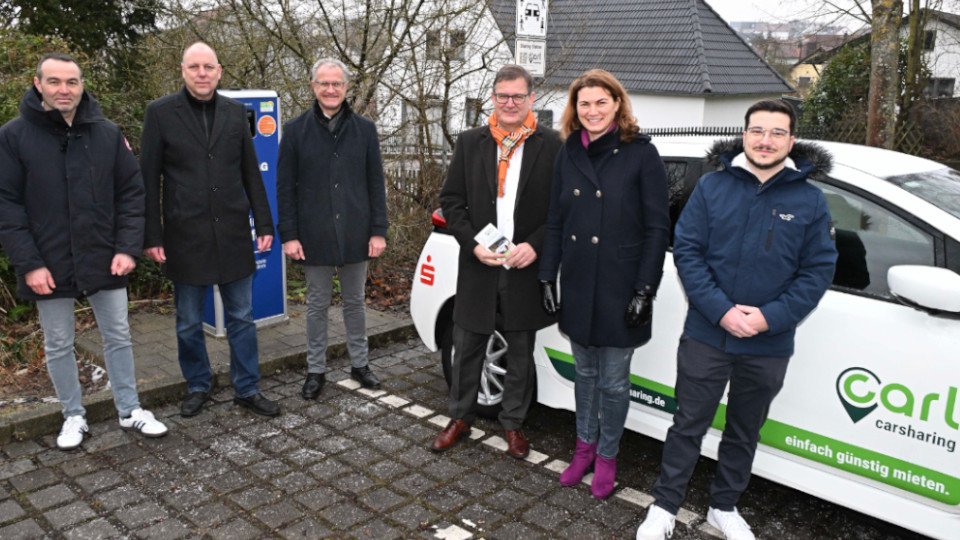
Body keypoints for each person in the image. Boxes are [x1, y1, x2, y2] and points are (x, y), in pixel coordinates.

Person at [636, 99, 837, 540]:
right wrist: (721, 311)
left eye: (777, 132)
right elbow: (688, 251)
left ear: (791, 140)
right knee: (688, 425)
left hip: (768, 343)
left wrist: (769, 318)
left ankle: (723, 507)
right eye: (758, 130)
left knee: (745, 431)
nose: (766, 140)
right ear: (744, 134)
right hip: (708, 334)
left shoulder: (810, 200)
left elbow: (818, 270)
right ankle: (665, 505)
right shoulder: (712, 187)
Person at [0, 53, 168, 449]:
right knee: (58, 342)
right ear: (38, 83)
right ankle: (73, 416)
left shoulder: (107, 133)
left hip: (104, 253)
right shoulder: (13, 135)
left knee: (118, 335)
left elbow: (131, 194)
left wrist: (128, 248)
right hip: (47, 261)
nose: (64, 89)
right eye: (55, 81)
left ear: (81, 86)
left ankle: (129, 410)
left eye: (72, 82)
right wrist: (29, 263)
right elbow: (7, 204)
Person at [538, 69, 670, 499]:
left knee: (613, 382)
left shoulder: (640, 154)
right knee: (585, 374)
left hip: (620, 284)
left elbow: (657, 228)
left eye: (601, 102)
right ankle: (583, 448)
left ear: (617, 104)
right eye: (584, 103)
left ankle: (608, 456)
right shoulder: (568, 152)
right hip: (578, 279)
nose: (592, 111)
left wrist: (644, 290)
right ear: (574, 109)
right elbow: (556, 221)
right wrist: (547, 274)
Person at [140, 42, 279, 418]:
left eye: (208, 67)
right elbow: (148, 180)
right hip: (185, 237)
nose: (202, 73)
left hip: (233, 233)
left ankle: (247, 388)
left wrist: (264, 223)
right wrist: (151, 235)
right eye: (194, 67)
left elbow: (251, 171)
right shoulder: (159, 113)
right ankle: (198, 384)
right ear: (182, 71)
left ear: (220, 71)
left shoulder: (236, 113)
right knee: (187, 322)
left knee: (242, 318)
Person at [431, 65, 563, 459]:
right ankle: (459, 418)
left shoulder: (552, 145)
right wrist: (472, 244)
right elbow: (451, 201)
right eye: (503, 96)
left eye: (517, 96)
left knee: (520, 350)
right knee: (467, 344)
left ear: (530, 100)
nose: (510, 103)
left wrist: (535, 246)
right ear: (492, 97)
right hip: (480, 264)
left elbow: (560, 209)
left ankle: (513, 425)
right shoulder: (471, 142)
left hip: (524, 266)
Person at [276, 58, 388, 398]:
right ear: (313, 86)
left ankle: (360, 364)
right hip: (314, 234)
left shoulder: (365, 130)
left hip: (357, 231)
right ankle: (315, 370)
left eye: (336, 83)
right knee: (317, 304)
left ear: (346, 88)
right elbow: (285, 188)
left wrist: (378, 230)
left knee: (355, 302)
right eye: (323, 83)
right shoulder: (295, 131)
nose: (330, 89)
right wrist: (289, 235)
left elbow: (375, 183)